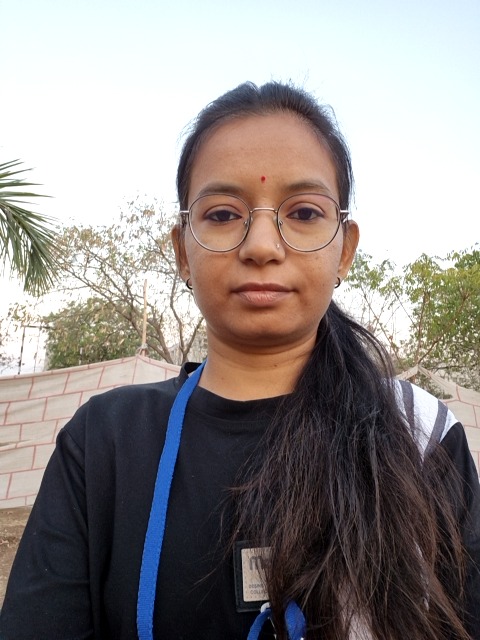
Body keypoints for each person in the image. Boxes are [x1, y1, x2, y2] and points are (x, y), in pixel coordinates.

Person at [1, 81, 479, 640]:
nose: (261, 246)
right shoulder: (103, 441)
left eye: (304, 212)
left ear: (344, 249)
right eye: (224, 214)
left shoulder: (419, 435)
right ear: (182, 250)